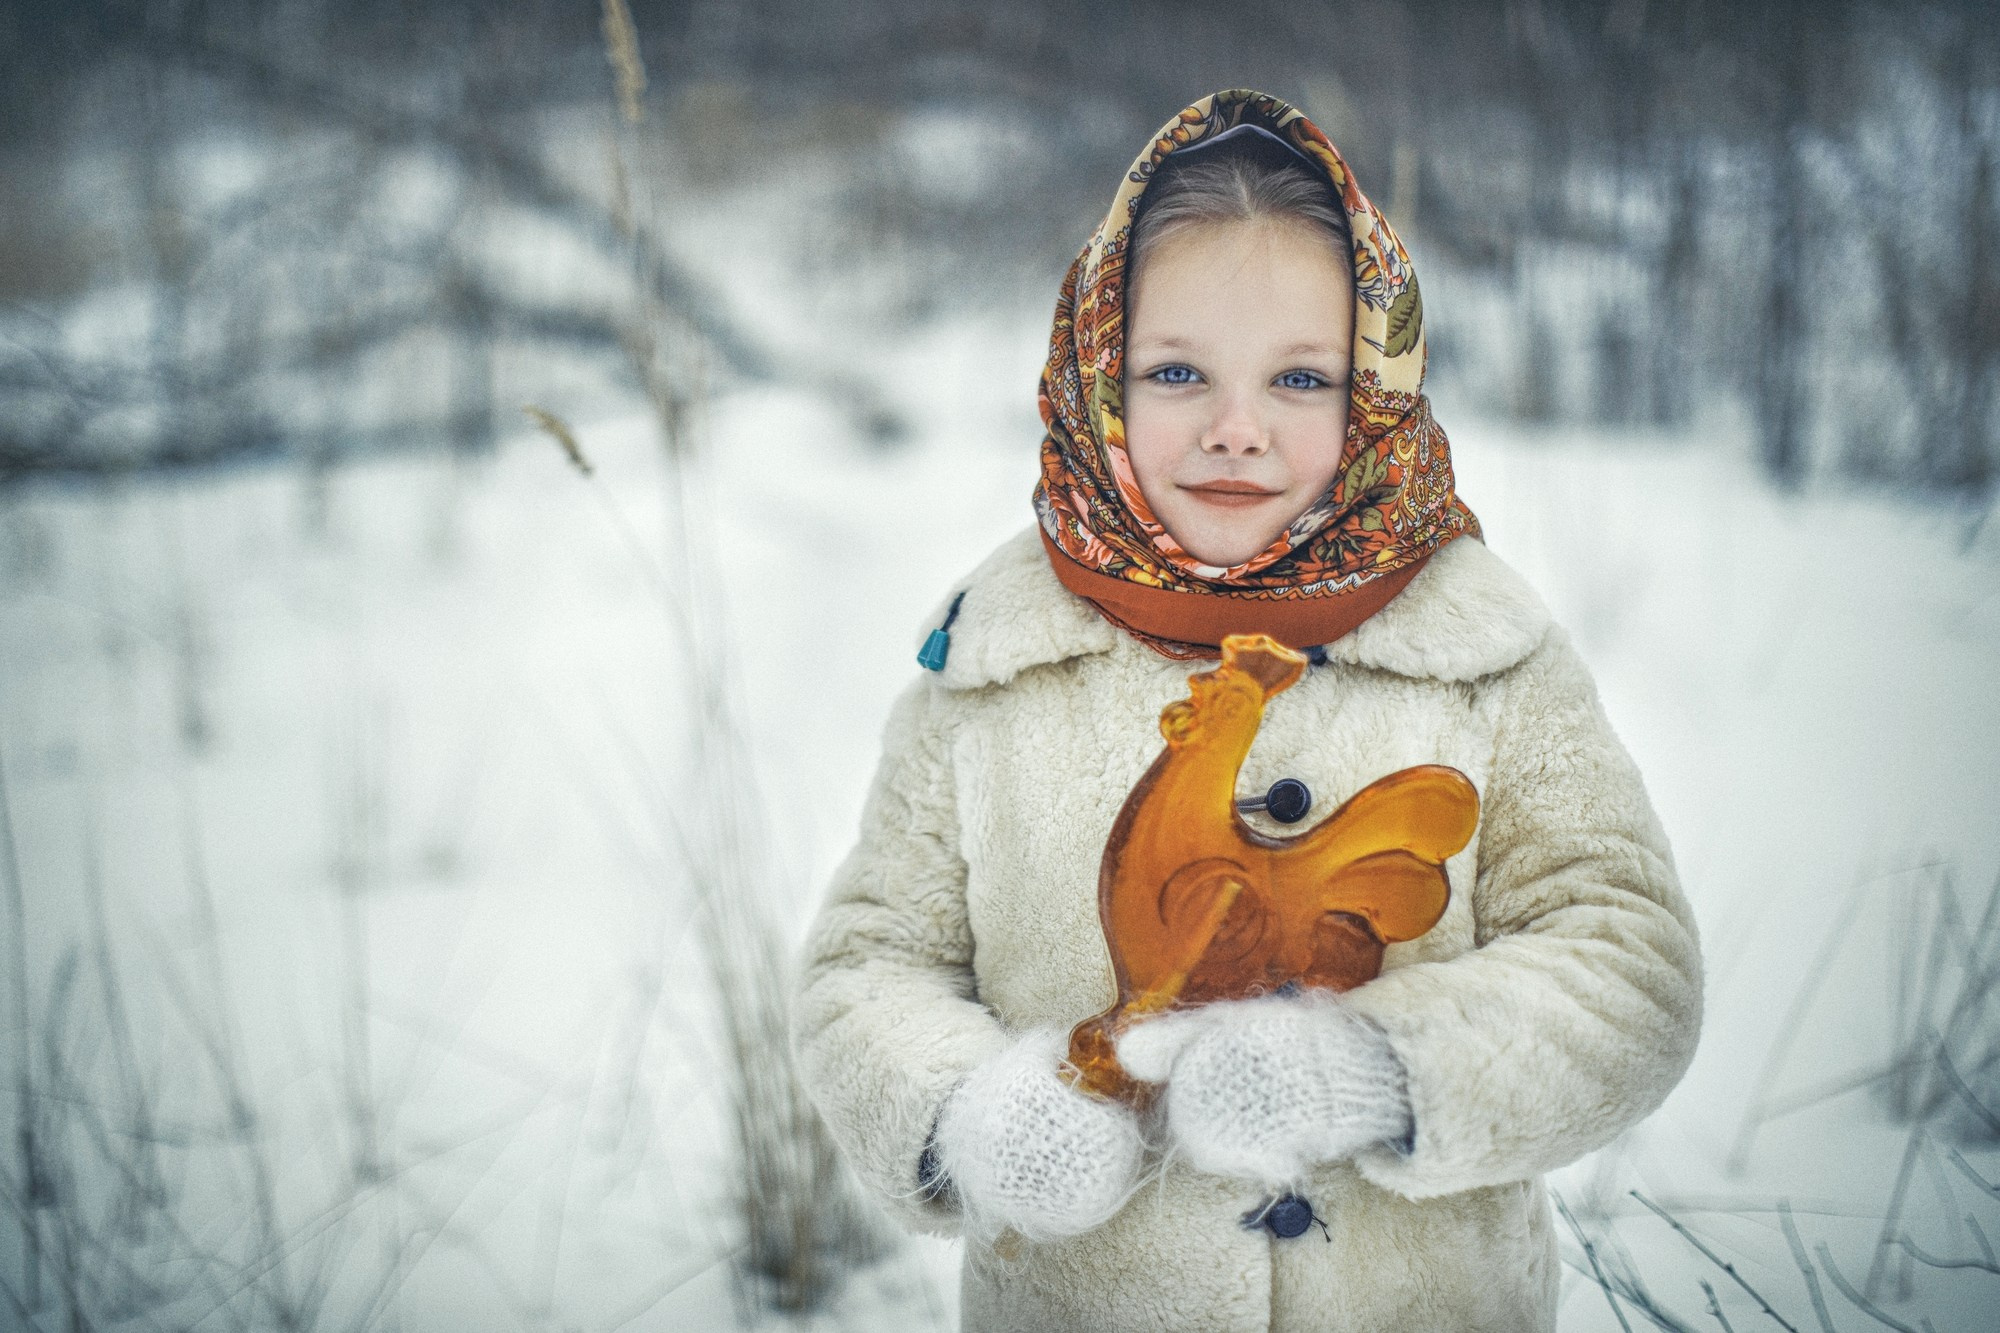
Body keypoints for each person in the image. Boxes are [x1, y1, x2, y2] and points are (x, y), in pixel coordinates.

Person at [791, 89, 1702, 1333]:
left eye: (1297, 377)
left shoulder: (1483, 654)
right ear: (1094, 377)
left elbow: (1627, 964)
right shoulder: (995, 666)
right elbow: (867, 964)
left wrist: (1375, 1070)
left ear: (1372, 385)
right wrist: (970, 1113)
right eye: (1175, 372)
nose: (1235, 429)